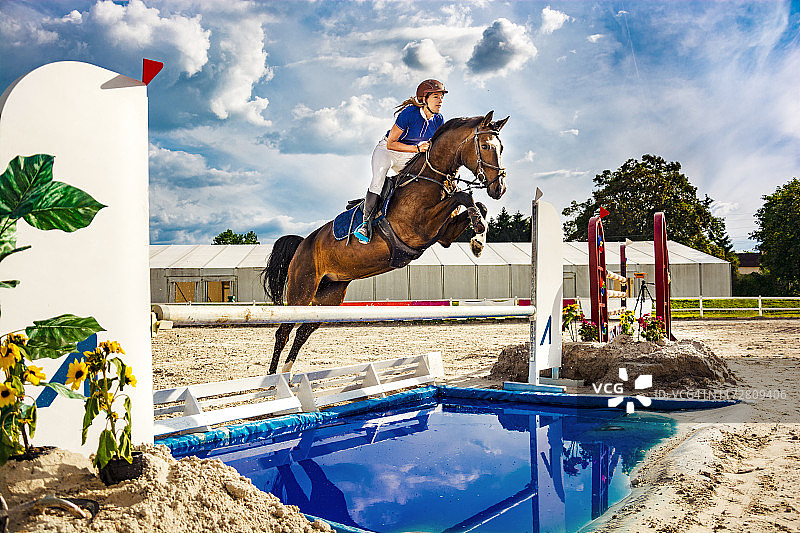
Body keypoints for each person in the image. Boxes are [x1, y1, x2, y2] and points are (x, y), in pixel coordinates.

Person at [353, 79, 447, 244]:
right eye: (436, 97)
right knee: (378, 180)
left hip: (408, 155)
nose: (440, 101)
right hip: (387, 151)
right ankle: (365, 223)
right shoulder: (409, 114)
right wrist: (417, 149)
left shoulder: (439, 120)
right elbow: (392, 143)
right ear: (424, 99)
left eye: (441, 97)